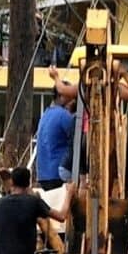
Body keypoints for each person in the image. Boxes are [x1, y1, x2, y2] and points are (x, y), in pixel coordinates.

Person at [34, 72, 80, 212]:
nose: (73, 100)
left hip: (43, 173)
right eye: (70, 97)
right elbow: (77, 139)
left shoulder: (46, 114)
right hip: (58, 173)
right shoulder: (64, 116)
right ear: (61, 96)